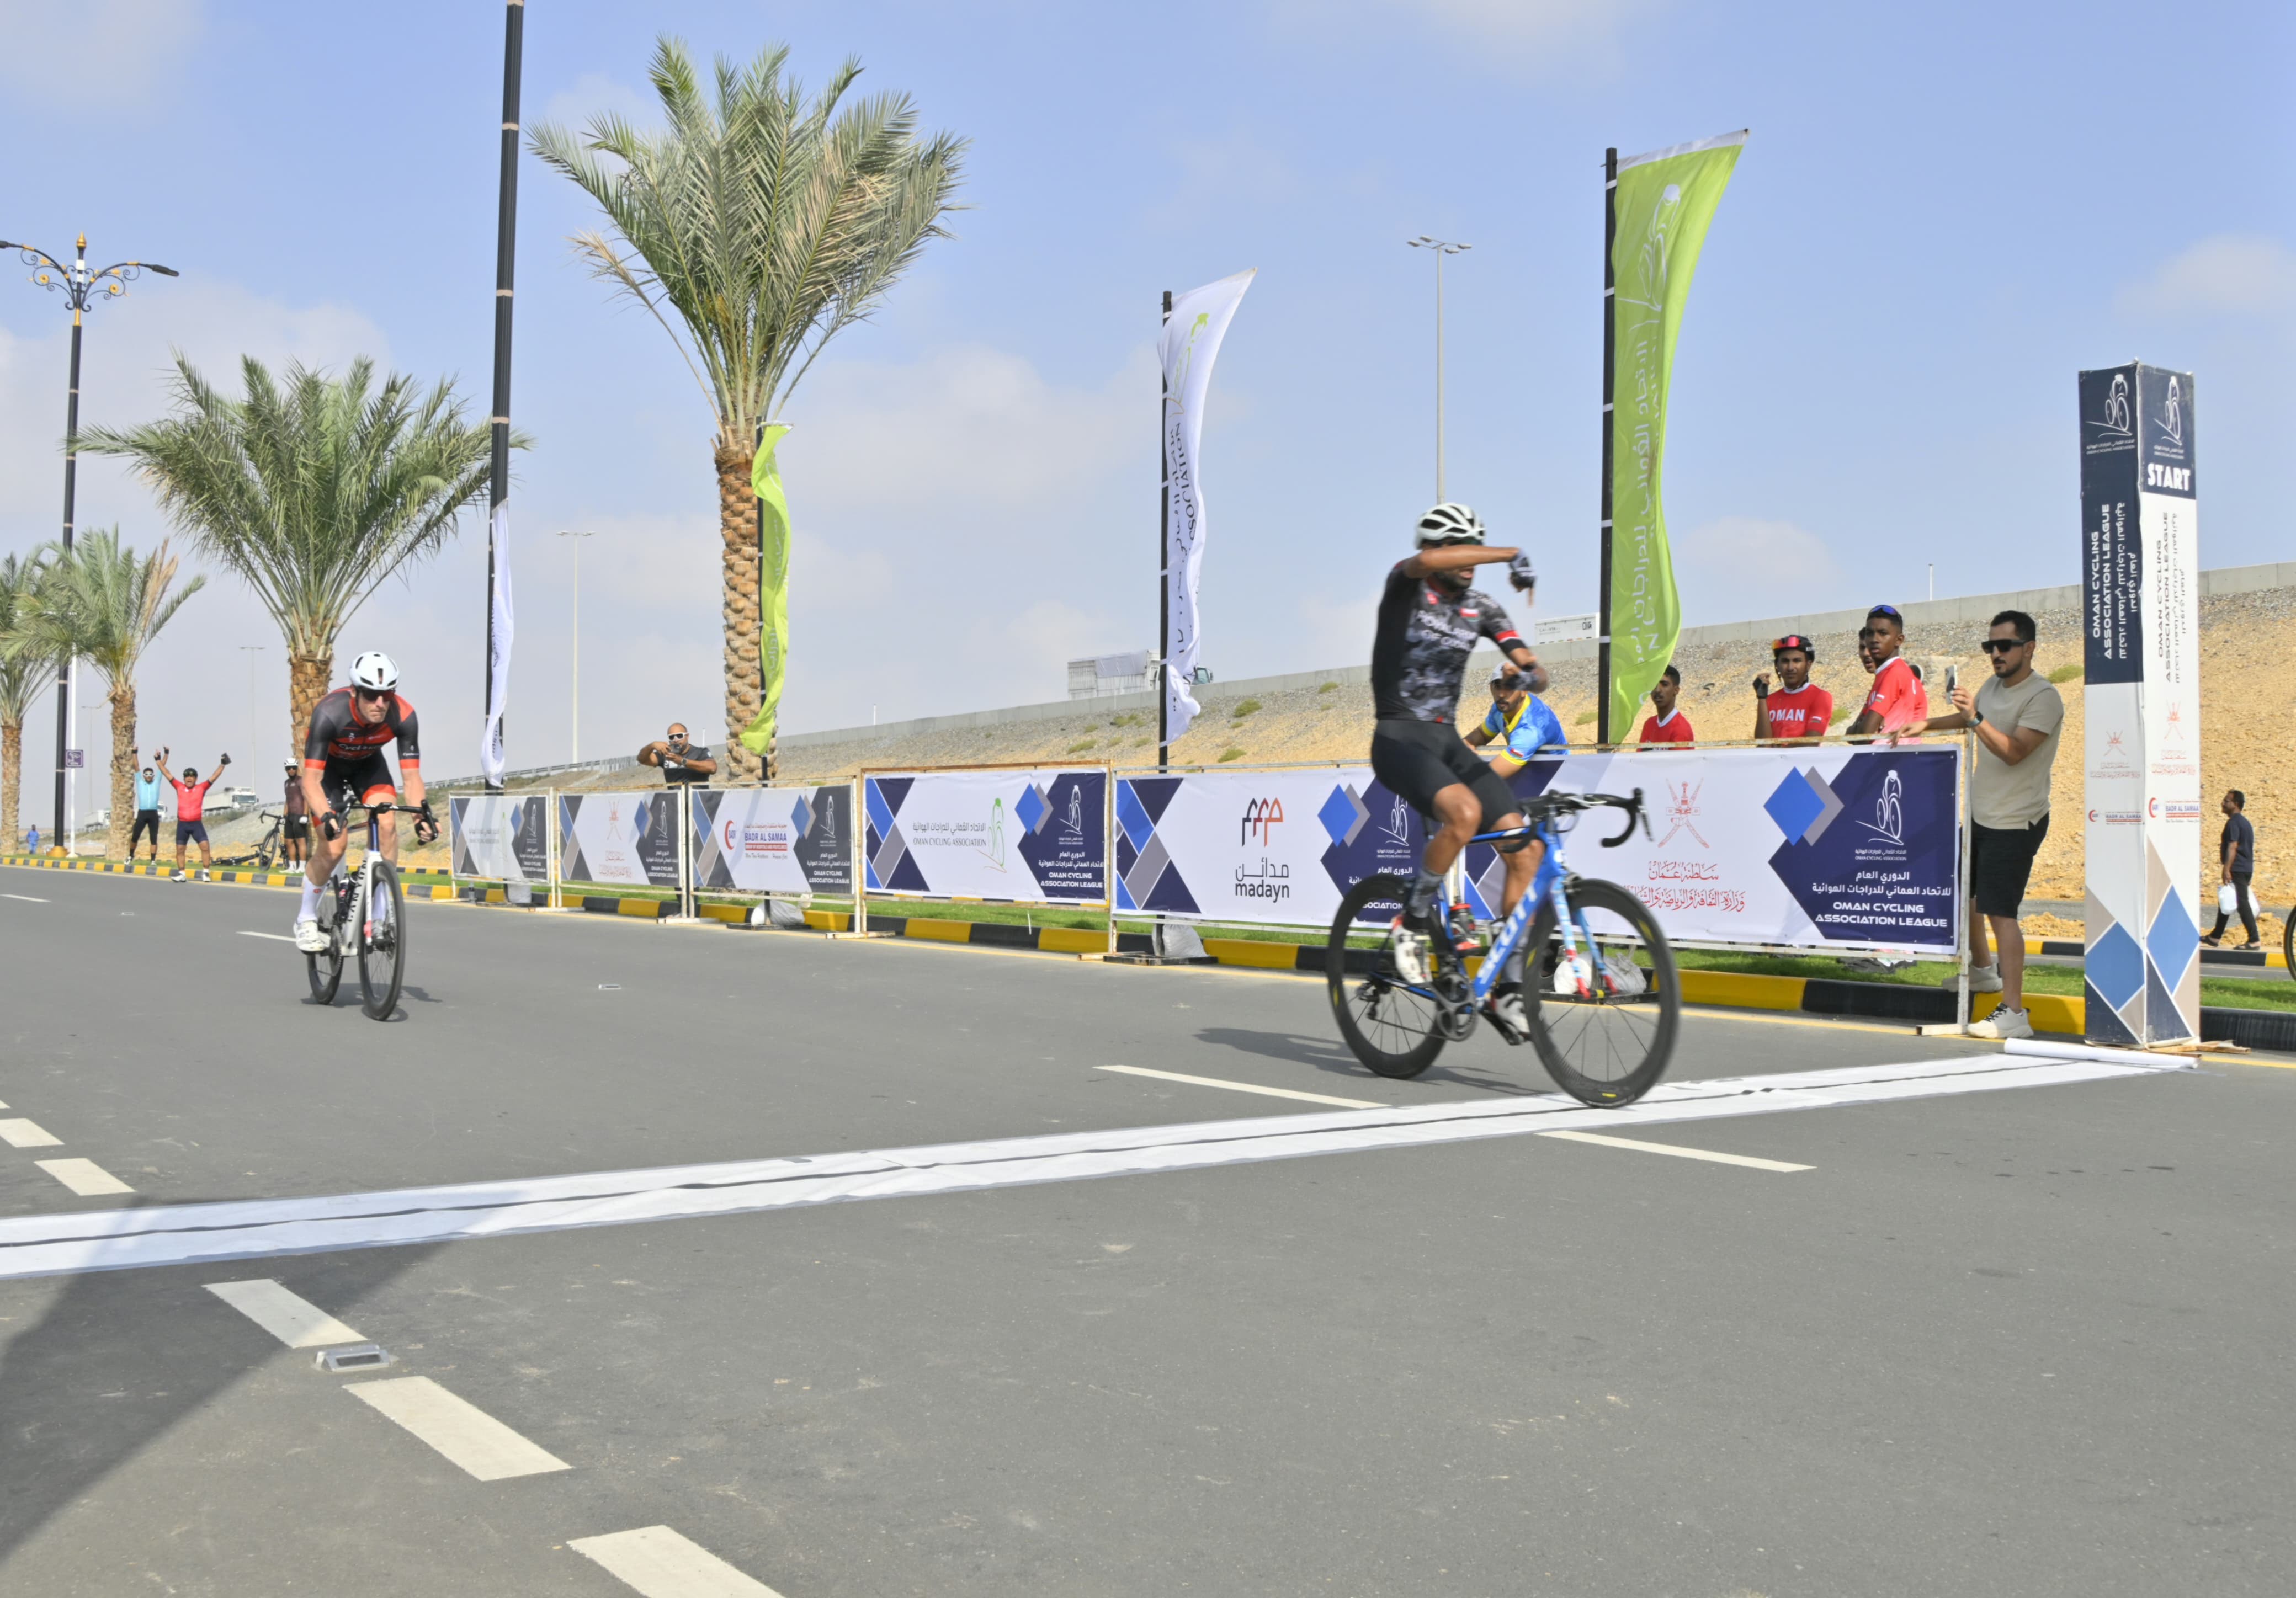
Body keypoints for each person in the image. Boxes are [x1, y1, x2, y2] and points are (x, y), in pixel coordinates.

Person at [1368, 502, 1546, 1035]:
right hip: (1398, 737)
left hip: (1446, 740)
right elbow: (1425, 563)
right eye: (1459, 548)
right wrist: (1509, 553)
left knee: (1526, 849)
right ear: (1434, 549)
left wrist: (1528, 677)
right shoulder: (1405, 586)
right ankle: (1411, 921)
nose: (1470, 559)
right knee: (1464, 814)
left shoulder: (1482, 607)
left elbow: (1533, 667)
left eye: (1476, 546)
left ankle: (1507, 990)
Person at [1922, 609, 2066, 1040]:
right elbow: (1968, 719)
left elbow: (2014, 751)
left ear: (2029, 648)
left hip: (2016, 819)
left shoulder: (2044, 697)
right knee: (1965, 896)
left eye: (2004, 646)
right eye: (1990, 646)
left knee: (2001, 912)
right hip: (1980, 814)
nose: (1995, 654)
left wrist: (1975, 718)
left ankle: (2015, 1013)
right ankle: (1983, 971)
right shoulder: (1992, 686)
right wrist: (1925, 724)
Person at [291, 651, 436, 952]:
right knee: (334, 846)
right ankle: (305, 919)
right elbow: (311, 781)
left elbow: (412, 779)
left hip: (368, 766)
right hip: (328, 771)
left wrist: (421, 817)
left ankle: (379, 917)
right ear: (355, 692)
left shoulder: (404, 715)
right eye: (371, 695)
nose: (380, 703)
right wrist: (326, 815)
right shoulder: (329, 713)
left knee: (387, 824)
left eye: (387, 694)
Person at [1464, 664, 1567, 779]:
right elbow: (1482, 734)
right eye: (1498, 686)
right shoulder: (1500, 709)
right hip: (1531, 774)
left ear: (1524, 691)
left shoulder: (1533, 727)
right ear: (1491, 688)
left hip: (1557, 778)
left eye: (1509, 687)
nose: (1501, 694)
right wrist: (1466, 744)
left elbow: (1491, 778)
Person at [1846, 604, 1928, 743]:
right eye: (1870, 633)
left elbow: (1863, 736)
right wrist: (1862, 727)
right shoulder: (1884, 673)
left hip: (1893, 754)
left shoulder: (1895, 673)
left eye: (1883, 633)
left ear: (1899, 640)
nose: (1874, 640)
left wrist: (1862, 727)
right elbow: (1851, 736)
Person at [153, 746, 228, 882]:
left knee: (205, 847)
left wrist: (222, 764)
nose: (189, 779)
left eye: (192, 777)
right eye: (187, 777)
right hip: (182, 824)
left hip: (196, 824)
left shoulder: (202, 788)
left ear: (196, 779)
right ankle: (182, 874)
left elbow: (214, 777)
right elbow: (167, 773)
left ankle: (206, 873)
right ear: (184, 779)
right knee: (180, 850)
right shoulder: (179, 787)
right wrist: (158, 760)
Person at [1752, 635, 1832, 745]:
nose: (1790, 667)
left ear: (1808, 665)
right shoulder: (1770, 700)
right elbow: (1762, 743)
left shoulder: (1821, 697)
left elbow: (1811, 743)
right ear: (1777, 665)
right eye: (1785, 661)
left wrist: (1779, 750)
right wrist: (1762, 698)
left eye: (1797, 661)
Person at [2204, 790, 2259, 948]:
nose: (2223, 803)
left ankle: (2254, 939)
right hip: (2245, 868)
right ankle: (2215, 937)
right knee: (2226, 898)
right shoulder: (2245, 822)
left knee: (2242, 903)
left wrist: (2226, 868)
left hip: (2238, 868)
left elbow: (2233, 846)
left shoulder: (2234, 823)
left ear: (2235, 804)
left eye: (2226, 801)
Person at [638, 724, 718, 787]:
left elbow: (712, 768)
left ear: (687, 736)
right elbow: (642, 759)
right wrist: (652, 746)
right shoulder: (666, 753)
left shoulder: (700, 752)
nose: (676, 740)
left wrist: (682, 761)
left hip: (697, 801)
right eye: (672, 737)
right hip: (675, 802)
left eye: (680, 736)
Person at [1638, 667, 1695, 747]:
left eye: (1664, 685)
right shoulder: (1649, 724)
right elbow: (1640, 755)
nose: (1657, 690)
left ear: (1676, 690)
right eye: (1654, 684)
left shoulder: (1681, 729)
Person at [130, 760, 164, 862]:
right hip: (142, 813)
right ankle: (131, 855)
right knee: (135, 836)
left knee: (154, 838)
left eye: (151, 774)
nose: (149, 776)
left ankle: (153, 860)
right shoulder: (140, 782)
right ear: (144, 776)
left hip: (153, 813)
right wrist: (135, 753)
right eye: (146, 774)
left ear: (153, 775)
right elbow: (137, 767)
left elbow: (162, 767)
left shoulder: (156, 782)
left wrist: (166, 754)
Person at [281, 760, 310, 867]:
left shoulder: (301, 781)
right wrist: (284, 815)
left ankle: (302, 867)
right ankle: (292, 867)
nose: (291, 770)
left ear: (297, 768)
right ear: (286, 770)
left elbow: (306, 798)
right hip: (290, 816)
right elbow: (287, 800)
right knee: (289, 841)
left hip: (299, 815)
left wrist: (305, 815)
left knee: (300, 841)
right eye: (289, 768)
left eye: (294, 768)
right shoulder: (286, 783)